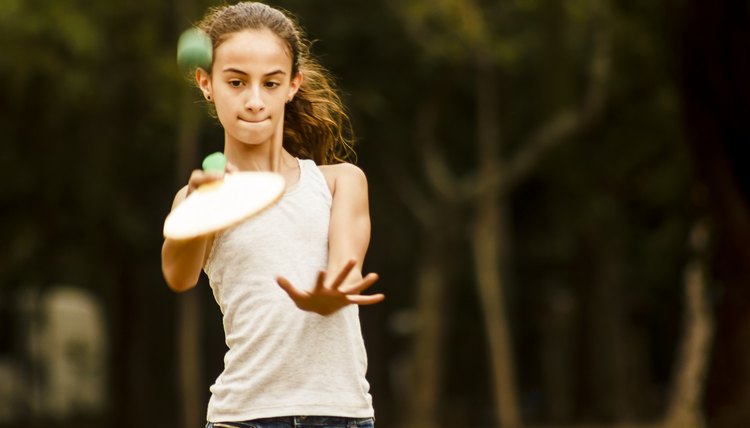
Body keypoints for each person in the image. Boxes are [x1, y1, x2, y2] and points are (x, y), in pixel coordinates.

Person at [160, 2, 384, 427]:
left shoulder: (340, 182)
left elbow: (345, 270)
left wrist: (328, 296)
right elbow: (179, 275)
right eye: (236, 82)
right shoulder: (198, 195)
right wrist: (205, 209)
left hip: (343, 414)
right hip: (245, 416)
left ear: (293, 85)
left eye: (271, 82)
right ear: (206, 82)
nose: (255, 100)